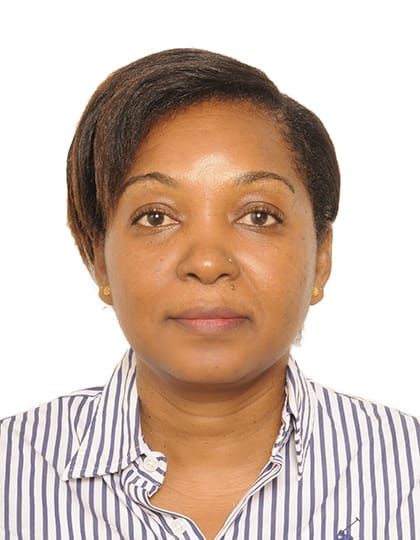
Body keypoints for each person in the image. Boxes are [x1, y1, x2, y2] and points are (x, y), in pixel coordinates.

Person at [0, 48, 418, 540]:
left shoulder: (407, 473)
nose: (206, 262)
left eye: (258, 215)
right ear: (99, 259)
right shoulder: (13, 471)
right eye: (156, 216)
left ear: (321, 257)